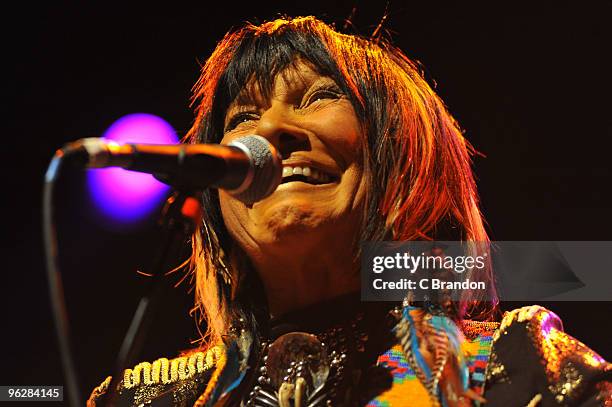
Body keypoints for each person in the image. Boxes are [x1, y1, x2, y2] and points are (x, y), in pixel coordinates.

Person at [87, 16, 610, 406]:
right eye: (243, 116)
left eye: (317, 97)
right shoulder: (146, 399)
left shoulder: (512, 371)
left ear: (399, 151)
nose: (269, 131)